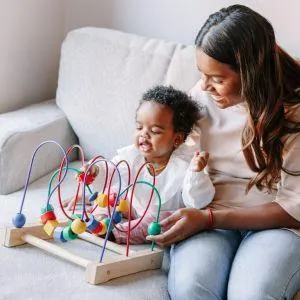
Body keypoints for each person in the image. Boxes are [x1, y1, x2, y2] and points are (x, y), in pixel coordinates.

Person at [146, 4, 300, 300]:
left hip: (278, 224)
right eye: (202, 75)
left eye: (217, 79)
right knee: (192, 287)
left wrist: (210, 220)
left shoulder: (292, 114)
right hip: (209, 211)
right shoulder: (202, 98)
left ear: (252, 74)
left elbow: (293, 210)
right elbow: (166, 149)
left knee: (251, 294)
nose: (204, 86)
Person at [66, 85, 215, 244]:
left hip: (159, 214)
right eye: (139, 127)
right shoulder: (133, 156)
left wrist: (196, 173)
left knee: (161, 220)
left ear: (176, 139)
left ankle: (117, 233)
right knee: (112, 194)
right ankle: (96, 216)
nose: (144, 134)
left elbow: (197, 201)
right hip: (131, 206)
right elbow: (113, 172)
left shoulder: (184, 164)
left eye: (155, 131)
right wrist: (95, 171)